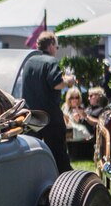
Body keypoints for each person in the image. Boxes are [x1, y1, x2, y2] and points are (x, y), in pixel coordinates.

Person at [21, 31, 76, 173]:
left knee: (32, 151)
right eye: (56, 47)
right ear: (51, 45)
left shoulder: (29, 62)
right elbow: (56, 83)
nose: (56, 50)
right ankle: (65, 179)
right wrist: (69, 81)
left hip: (31, 114)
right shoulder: (51, 61)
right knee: (58, 152)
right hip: (50, 115)